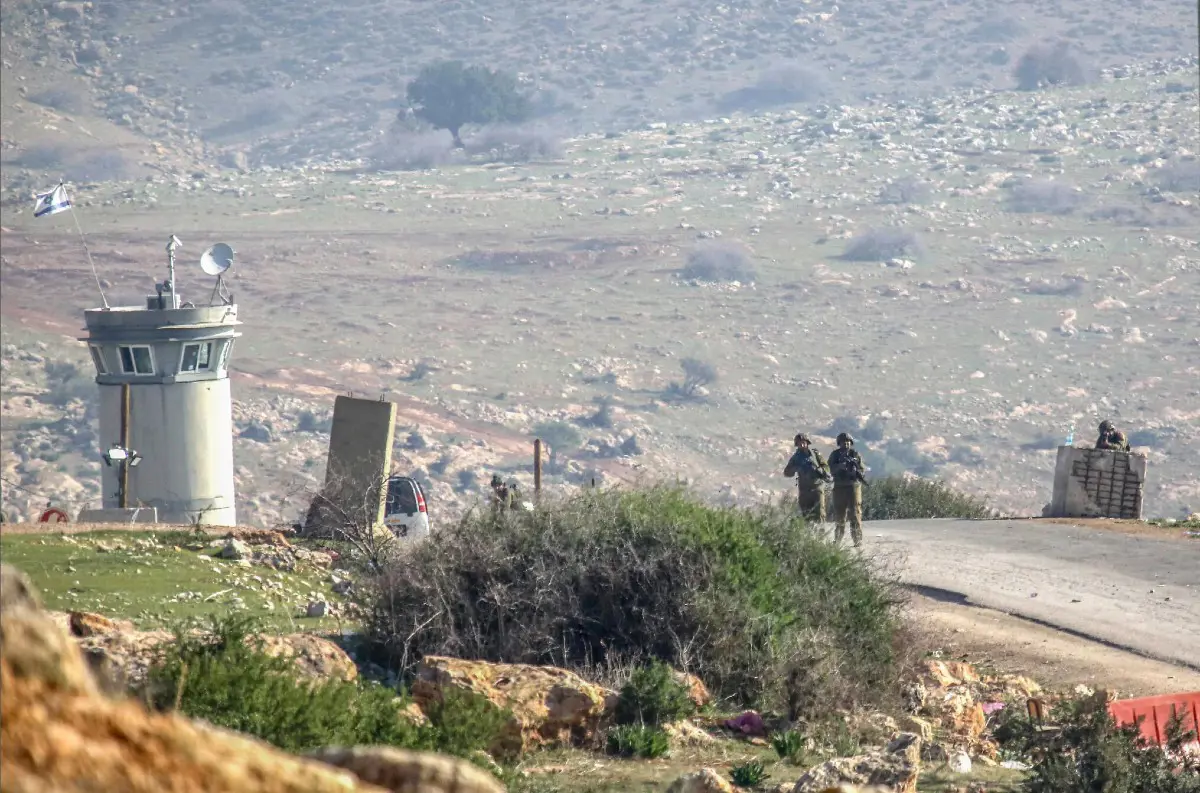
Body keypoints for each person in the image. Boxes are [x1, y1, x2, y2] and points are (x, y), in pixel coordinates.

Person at [827, 432, 866, 547]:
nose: (846, 444)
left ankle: (857, 539)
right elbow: (830, 469)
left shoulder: (855, 454)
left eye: (848, 442)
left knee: (855, 514)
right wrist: (840, 467)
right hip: (839, 487)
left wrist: (855, 471)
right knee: (840, 515)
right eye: (844, 442)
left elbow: (862, 469)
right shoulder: (835, 455)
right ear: (839, 443)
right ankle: (838, 539)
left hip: (853, 486)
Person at [783, 433, 830, 523]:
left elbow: (826, 467)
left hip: (817, 488)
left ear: (807, 443)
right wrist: (796, 468)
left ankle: (820, 534)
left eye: (804, 442)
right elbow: (787, 473)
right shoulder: (795, 458)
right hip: (804, 491)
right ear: (797, 445)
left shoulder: (815, 454)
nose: (802, 445)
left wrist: (820, 470)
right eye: (800, 443)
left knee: (820, 514)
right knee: (806, 516)